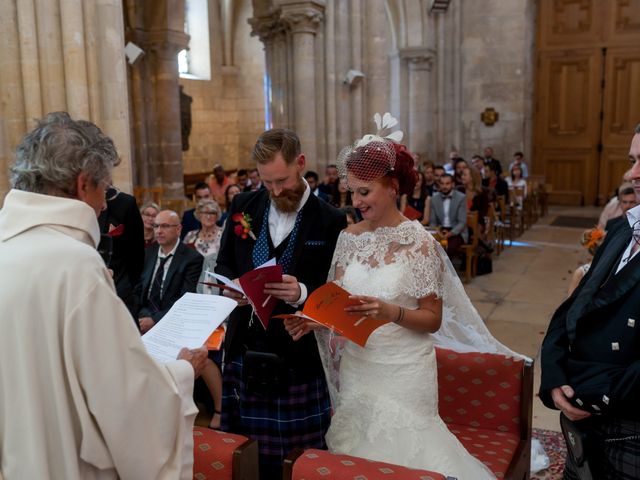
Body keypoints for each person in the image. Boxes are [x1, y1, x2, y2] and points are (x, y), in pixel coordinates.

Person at [284, 121, 521, 478]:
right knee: (358, 456)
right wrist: (314, 319)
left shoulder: (420, 243)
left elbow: (432, 319)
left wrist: (391, 312)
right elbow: (338, 303)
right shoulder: (348, 238)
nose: (356, 202)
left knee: (409, 457)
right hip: (358, 368)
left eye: (365, 192)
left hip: (403, 369)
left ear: (393, 187)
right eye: (352, 193)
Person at [0, 111, 207, 479]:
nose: (103, 206)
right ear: (83, 185)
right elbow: (123, 400)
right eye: (105, 191)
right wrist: (182, 373)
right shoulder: (74, 265)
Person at [215, 128, 346, 478]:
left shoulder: (330, 219)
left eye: (282, 180)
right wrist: (231, 288)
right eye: (266, 182)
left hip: (297, 355)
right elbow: (225, 261)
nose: (274, 191)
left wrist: (302, 292)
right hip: (245, 346)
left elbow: (337, 289)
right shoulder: (244, 205)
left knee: (299, 460)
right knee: (245, 456)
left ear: (301, 164)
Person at [540, 125, 640, 479]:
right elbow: (572, 309)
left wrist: (596, 393)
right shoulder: (621, 229)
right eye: (632, 160)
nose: (632, 173)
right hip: (583, 423)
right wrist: (554, 375)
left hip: (631, 428)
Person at [136, 210, 203, 334]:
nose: (159, 231)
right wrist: (142, 316)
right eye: (156, 226)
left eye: (165, 226)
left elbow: (184, 299)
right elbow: (138, 289)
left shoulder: (192, 258)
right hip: (143, 318)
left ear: (178, 229)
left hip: (173, 322)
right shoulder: (148, 253)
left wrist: (155, 320)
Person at [97, 186, 145, 320]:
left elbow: (137, 253)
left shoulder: (124, 203)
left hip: (120, 289)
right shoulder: (72, 203)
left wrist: (129, 287)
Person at [430, 174, 468, 256]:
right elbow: (433, 222)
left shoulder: (461, 197)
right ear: (439, 185)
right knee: (430, 247)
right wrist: (438, 232)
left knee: (448, 248)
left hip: (456, 231)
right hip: (440, 229)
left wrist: (450, 233)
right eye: (442, 183)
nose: (444, 186)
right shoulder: (434, 199)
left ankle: (445, 268)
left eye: (447, 183)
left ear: (453, 184)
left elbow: (462, 222)